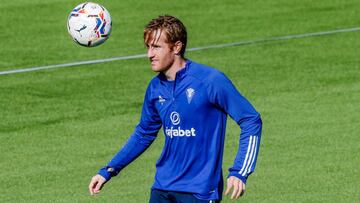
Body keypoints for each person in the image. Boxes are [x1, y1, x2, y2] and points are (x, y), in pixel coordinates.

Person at [89, 15, 262, 203]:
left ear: (177, 47)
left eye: (156, 47)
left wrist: (239, 171)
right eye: (148, 47)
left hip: (199, 192)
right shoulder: (155, 88)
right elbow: (144, 133)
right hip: (163, 188)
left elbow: (251, 120)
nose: (149, 54)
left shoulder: (210, 81)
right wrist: (109, 170)